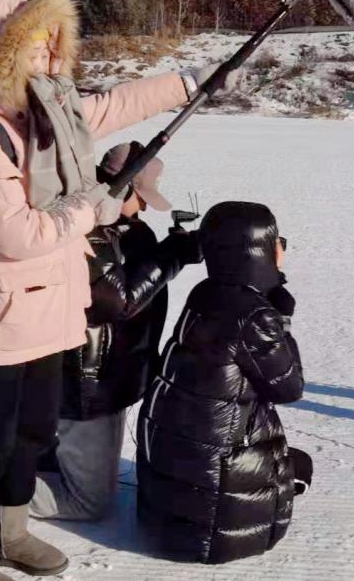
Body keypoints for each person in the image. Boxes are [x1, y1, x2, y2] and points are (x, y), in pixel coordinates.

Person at [0, 0, 239, 581]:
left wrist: (192, 82)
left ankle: (10, 533)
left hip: (52, 317)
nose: (49, 61)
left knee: (33, 433)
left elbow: (119, 104)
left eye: (52, 47)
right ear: (0, 56)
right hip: (1, 321)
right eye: (35, 50)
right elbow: (16, 235)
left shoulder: (55, 119)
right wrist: (89, 210)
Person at [29, 142, 203, 521]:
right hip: (85, 383)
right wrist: (171, 255)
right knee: (89, 504)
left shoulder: (126, 229)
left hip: (105, 375)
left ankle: (14, 467)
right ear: (120, 188)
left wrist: (171, 249)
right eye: (139, 197)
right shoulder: (82, 227)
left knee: (57, 455)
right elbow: (111, 301)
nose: (142, 206)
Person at [135, 201, 310, 564]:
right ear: (258, 251)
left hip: (173, 491)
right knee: (301, 465)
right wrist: (282, 319)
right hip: (211, 524)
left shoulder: (206, 292)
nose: (282, 248)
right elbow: (289, 387)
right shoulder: (254, 315)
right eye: (277, 241)